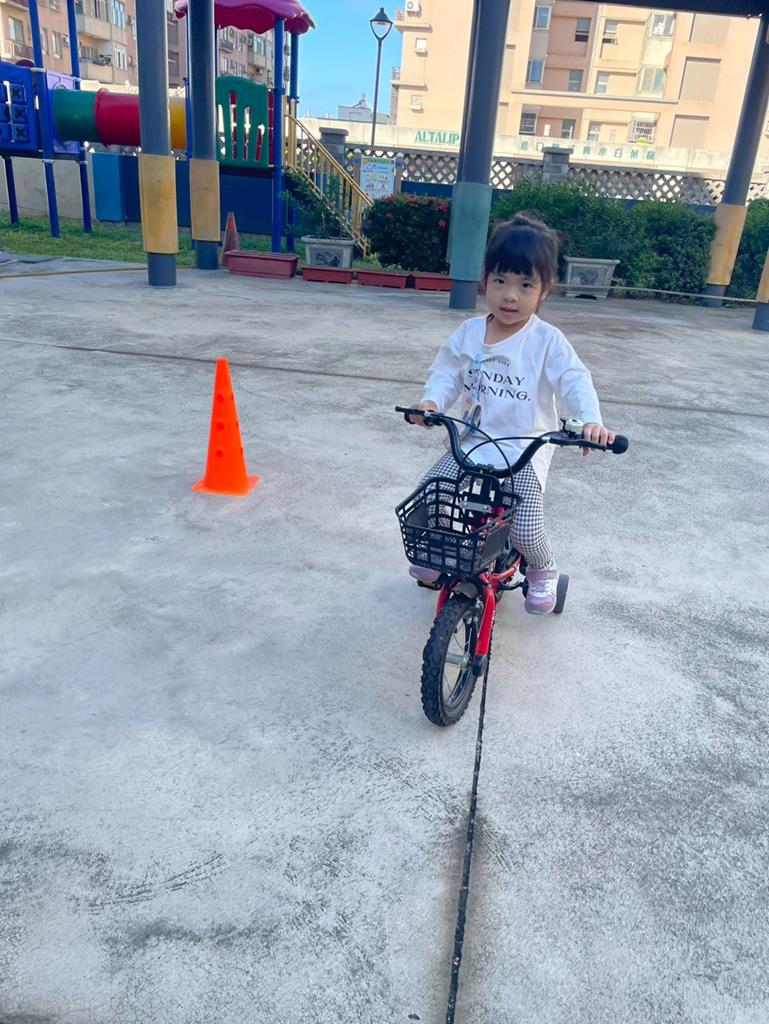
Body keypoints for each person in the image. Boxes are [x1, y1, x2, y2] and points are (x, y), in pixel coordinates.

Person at [406, 213, 615, 614]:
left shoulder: (546, 341)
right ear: (485, 279)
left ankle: (542, 567)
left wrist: (591, 420)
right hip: (472, 442)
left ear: (545, 291)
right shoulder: (469, 333)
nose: (510, 296)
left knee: (524, 528)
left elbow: (574, 380)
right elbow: (447, 374)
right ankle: (438, 551)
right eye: (500, 281)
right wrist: (431, 404)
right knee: (429, 497)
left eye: (525, 285)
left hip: (524, 450)